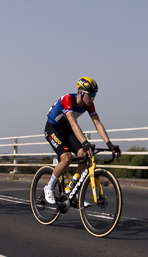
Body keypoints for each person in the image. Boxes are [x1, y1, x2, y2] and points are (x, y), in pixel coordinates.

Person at [42, 77, 119, 205]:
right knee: (66, 158)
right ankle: (48, 188)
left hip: (66, 130)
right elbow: (73, 123)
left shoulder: (89, 104)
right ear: (80, 92)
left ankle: (72, 191)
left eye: (95, 95)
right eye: (91, 94)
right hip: (53, 129)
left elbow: (97, 123)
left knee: (83, 154)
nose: (93, 98)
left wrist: (109, 143)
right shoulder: (68, 99)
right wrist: (85, 142)